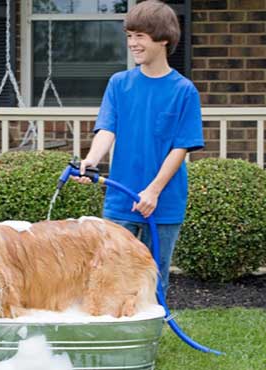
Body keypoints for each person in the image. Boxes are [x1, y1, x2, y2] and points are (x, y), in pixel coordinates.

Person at [74, 0, 204, 297]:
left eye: (140, 36)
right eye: (129, 36)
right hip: (121, 200)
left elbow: (181, 148)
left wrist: (154, 191)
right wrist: (91, 160)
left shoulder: (183, 91)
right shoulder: (119, 84)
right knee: (111, 277)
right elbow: (107, 129)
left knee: (154, 279)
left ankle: (149, 339)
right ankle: (117, 339)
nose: (132, 43)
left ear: (163, 40)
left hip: (164, 203)